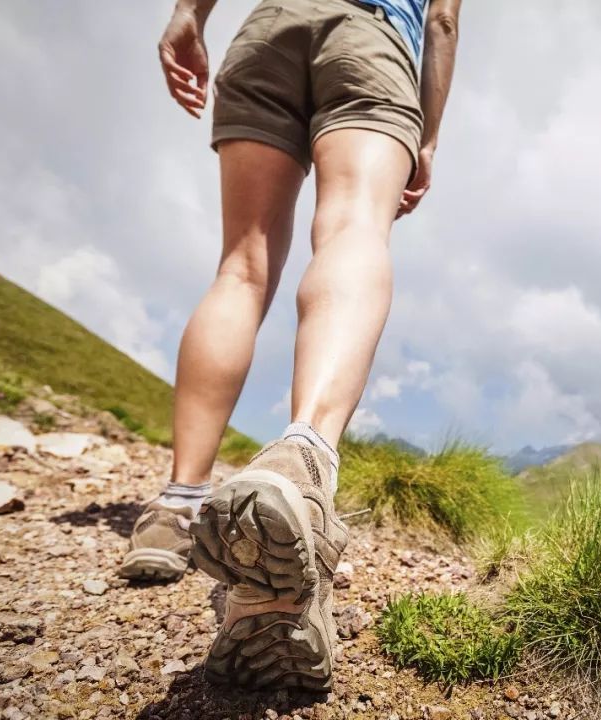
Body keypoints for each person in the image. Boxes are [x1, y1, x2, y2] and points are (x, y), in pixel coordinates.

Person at [117, 0, 462, 692]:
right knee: (353, 226)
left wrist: (188, 16)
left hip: (270, 27)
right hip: (371, 38)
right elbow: (443, 21)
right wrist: (427, 136)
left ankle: (176, 505)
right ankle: (302, 459)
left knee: (240, 268)